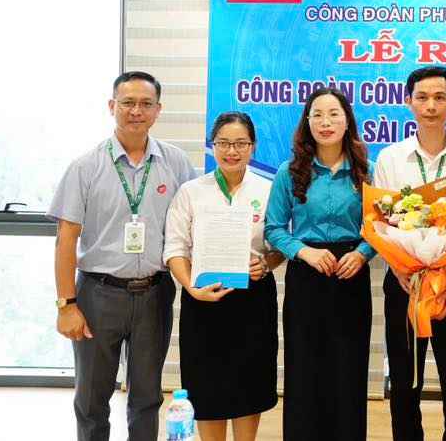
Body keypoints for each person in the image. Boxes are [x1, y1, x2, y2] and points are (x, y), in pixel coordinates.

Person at [49, 71, 196, 441]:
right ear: (112, 106)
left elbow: (196, 224)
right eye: (128, 103)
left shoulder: (176, 163)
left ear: (158, 110)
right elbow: (66, 240)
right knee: (91, 398)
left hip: (155, 292)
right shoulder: (86, 166)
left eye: (146, 104)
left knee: (147, 397)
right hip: (98, 294)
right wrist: (66, 304)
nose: (136, 111)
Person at [373, 65, 446, 441]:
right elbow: (381, 225)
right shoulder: (390, 158)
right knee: (405, 383)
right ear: (409, 102)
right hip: (404, 286)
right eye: (422, 97)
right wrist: (400, 270)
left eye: (440, 97)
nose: (431, 106)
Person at [163, 111, 283, 441]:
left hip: (253, 300)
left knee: (250, 384)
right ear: (212, 146)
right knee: (207, 387)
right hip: (203, 300)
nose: (232, 150)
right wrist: (191, 288)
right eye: (224, 143)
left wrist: (268, 263)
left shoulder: (269, 189)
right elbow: (175, 248)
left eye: (240, 143)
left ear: (253, 147)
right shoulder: (191, 191)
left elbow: (280, 245)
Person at [265, 88, 375, 441]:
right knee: (304, 368)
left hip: (351, 277)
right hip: (306, 277)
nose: (326, 122)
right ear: (307, 121)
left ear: (347, 120)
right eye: (317, 115)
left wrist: (362, 253)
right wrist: (304, 251)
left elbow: (381, 226)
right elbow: (274, 228)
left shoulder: (366, 170)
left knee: (348, 369)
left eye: (334, 114)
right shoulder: (290, 171)